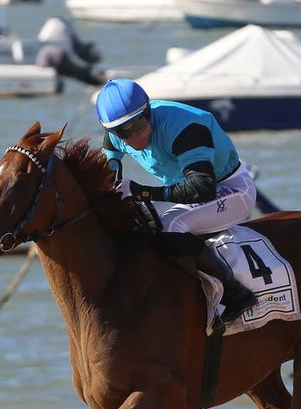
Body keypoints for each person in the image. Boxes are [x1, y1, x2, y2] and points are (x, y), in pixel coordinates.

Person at [96, 77, 258, 324]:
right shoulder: (117, 133)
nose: (133, 136)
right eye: (122, 132)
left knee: (172, 226)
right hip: (186, 190)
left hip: (229, 188)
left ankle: (236, 293)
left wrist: (141, 192)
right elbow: (110, 159)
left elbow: (202, 188)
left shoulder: (185, 128)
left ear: (147, 111)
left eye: (138, 123)